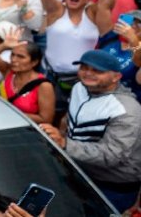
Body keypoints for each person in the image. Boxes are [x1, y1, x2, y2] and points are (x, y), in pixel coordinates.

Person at [39, 49, 141, 212]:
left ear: (116, 77)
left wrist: (65, 144)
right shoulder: (79, 87)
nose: (88, 73)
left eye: (97, 70)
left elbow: (111, 155)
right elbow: (69, 119)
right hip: (78, 172)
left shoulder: (127, 110)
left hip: (111, 187)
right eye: (84, 68)